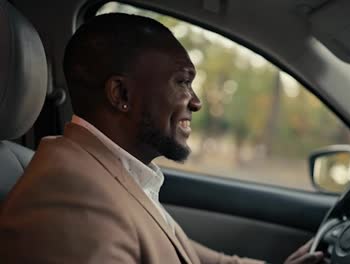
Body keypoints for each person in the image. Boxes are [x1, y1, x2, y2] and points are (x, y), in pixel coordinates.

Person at [0, 13, 327, 264]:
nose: (196, 101)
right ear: (121, 93)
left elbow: (191, 257)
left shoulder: (110, 169)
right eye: (182, 82)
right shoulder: (70, 199)